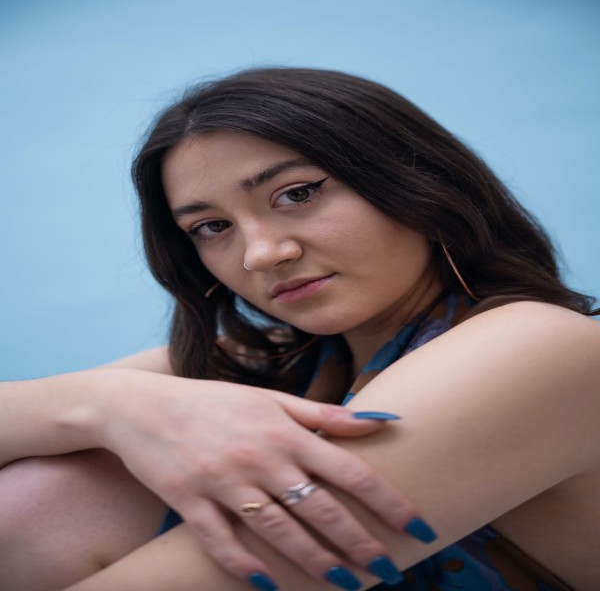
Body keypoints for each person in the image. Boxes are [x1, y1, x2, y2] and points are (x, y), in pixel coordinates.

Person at [1, 67, 599, 591]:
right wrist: (105, 404)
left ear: (421, 183)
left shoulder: (540, 346)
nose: (260, 254)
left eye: (296, 193)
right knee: (42, 491)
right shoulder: (285, 362)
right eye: (211, 228)